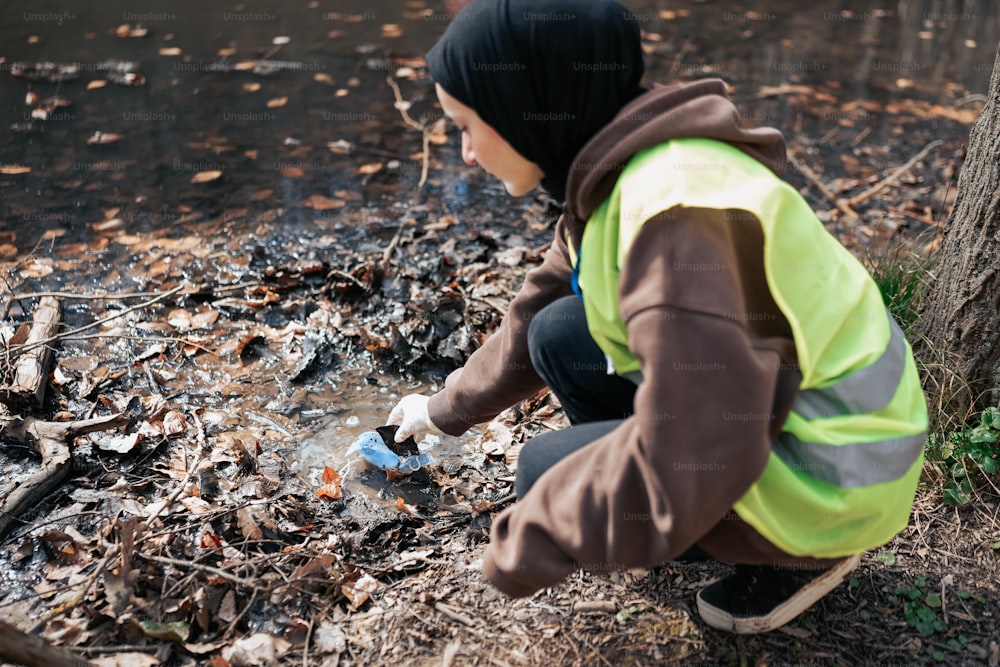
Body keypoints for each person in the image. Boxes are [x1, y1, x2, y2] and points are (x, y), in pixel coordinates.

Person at [386, 0, 928, 634]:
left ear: (522, 109)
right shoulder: (632, 162)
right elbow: (536, 309)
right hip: (790, 412)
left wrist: (530, 538)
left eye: (465, 125)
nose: (467, 154)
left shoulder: (671, 221)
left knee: (544, 477)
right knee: (558, 332)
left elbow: (709, 439)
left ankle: (800, 557)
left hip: (837, 475)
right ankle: (679, 521)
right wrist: (442, 410)